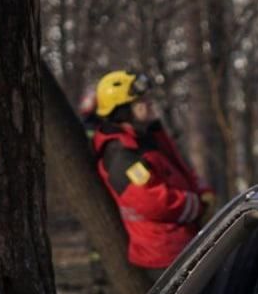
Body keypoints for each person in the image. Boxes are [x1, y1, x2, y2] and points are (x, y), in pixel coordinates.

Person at [91, 70, 214, 274]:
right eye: (140, 100)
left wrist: (204, 192)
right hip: (164, 254)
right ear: (122, 110)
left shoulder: (149, 136)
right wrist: (198, 205)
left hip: (183, 244)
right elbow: (155, 203)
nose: (148, 103)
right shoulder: (121, 156)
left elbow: (183, 169)